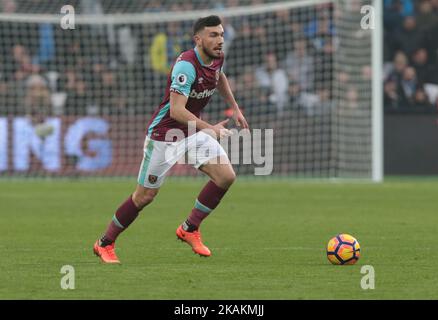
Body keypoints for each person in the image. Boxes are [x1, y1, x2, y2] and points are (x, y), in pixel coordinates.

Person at [93, 15, 249, 263]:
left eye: (221, 34)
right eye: (213, 35)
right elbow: (176, 111)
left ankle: (189, 228)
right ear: (198, 40)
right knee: (144, 197)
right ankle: (105, 243)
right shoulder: (186, 66)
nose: (220, 40)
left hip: (192, 132)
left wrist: (235, 108)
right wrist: (211, 128)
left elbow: (220, 77)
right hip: (165, 136)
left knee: (226, 176)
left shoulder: (218, 56)